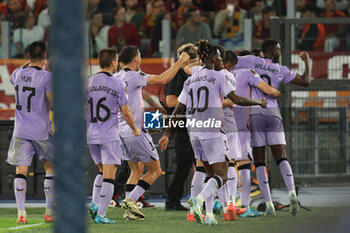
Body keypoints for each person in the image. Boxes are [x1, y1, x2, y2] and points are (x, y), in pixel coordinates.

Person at [158, 40, 267, 225]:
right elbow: (236, 99)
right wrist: (258, 102)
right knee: (222, 175)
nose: (220, 59)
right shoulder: (220, 77)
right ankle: (199, 200)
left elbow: (178, 109)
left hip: (194, 131)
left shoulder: (192, 79)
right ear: (212, 58)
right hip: (214, 130)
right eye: (217, 56)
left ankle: (208, 215)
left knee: (208, 173)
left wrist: (167, 133)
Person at [234, 39, 311, 216]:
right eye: (279, 49)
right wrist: (306, 61)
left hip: (255, 111)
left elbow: (230, 60)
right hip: (273, 113)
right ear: (274, 52)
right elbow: (306, 81)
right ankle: (291, 192)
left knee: (260, 160)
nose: (280, 52)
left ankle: (268, 204)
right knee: (281, 156)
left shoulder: (251, 61)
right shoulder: (281, 70)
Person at [118, 46, 190, 220]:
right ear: (136, 59)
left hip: (121, 131)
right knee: (155, 170)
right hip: (135, 131)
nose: (141, 58)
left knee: (136, 170)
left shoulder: (117, 76)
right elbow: (163, 78)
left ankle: (129, 212)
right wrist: (180, 61)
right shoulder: (134, 76)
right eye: (140, 56)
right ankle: (131, 200)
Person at [86, 48, 141, 224]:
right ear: (113, 62)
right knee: (110, 175)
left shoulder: (87, 82)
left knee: (102, 171)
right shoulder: (117, 84)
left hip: (91, 134)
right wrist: (135, 129)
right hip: (108, 135)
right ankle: (101, 214)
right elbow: (126, 112)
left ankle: (94, 204)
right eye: (116, 60)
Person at [6, 41, 54, 224]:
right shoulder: (47, 77)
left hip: (21, 130)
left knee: (21, 171)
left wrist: (28, 63)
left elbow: (18, 73)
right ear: (44, 57)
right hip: (41, 130)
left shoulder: (17, 73)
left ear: (28, 56)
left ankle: (21, 213)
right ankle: (49, 212)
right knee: (50, 168)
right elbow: (52, 103)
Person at [229, 50, 279, 217]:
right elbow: (269, 90)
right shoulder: (248, 73)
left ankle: (224, 204)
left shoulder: (223, 73)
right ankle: (243, 207)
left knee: (225, 165)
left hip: (223, 124)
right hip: (242, 126)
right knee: (244, 165)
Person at [164, 43, 198, 211]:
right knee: (183, 164)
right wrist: (196, 102)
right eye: (197, 60)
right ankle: (172, 200)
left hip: (194, 122)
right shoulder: (177, 75)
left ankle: (201, 200)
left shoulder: (193, 75)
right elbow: (170, 101)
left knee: (198, 165)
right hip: (182, 123)